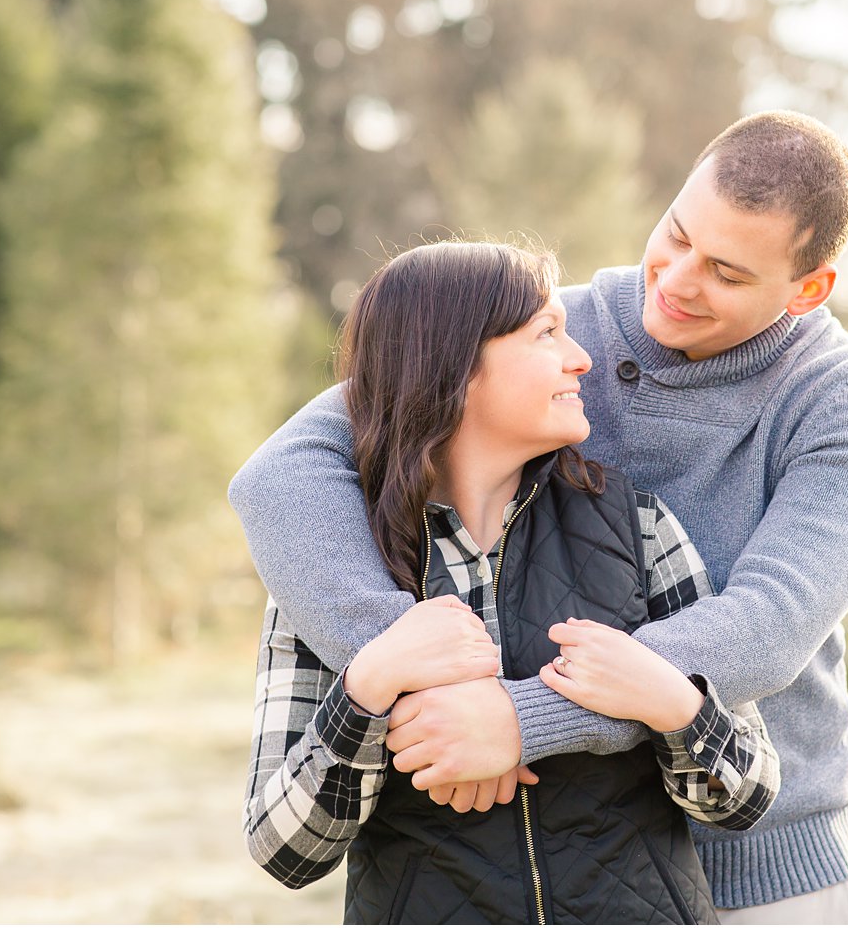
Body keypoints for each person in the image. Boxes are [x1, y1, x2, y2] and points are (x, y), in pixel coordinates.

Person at [231, 111, 848, 923]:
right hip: (537, 857)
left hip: (767, 863)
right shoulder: (537, 335)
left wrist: (519, 720)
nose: (678, 280)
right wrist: (427, 678)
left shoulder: (847, 399)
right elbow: (283, 473)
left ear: (810, 288)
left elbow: (764, 628)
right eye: (677, 234)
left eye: (727, 273)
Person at [243, 242, 780, 924]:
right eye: (546, 333)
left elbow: (748, 794)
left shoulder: (638, 523)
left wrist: (671, 700)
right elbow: (283, 849)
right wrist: (370, 684)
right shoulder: (332, 558)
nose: (580, 357)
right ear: (456, 365)